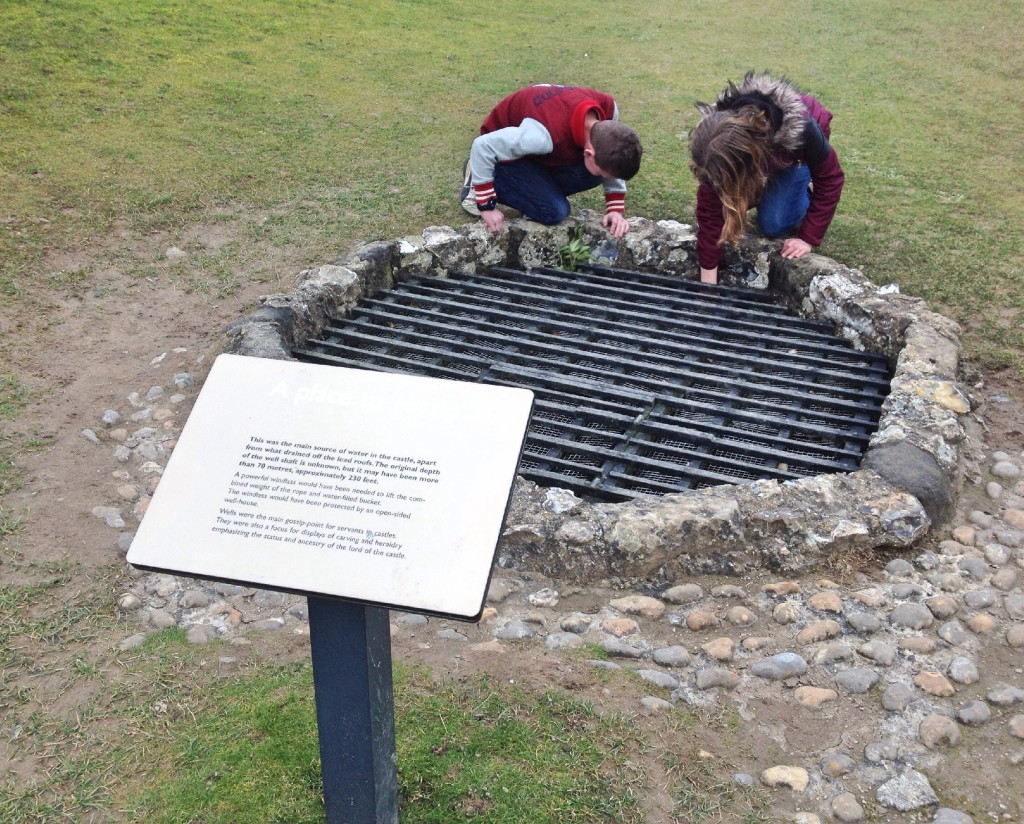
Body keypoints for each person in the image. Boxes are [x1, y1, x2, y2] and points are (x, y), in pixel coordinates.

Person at [688, 71, 845, 284]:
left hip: (795, 151)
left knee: (774, 223)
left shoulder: (804, 128)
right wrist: (708, 285)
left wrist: (808, 238)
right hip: (763, 156)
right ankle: (770, 189)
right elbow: (711, 213)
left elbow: (831, 178)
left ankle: (801, 191)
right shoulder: (716, 144)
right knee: (739, 195)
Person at [460, 84, 643, 238]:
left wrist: (615, 210)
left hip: (538, 153)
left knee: (594, 175)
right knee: (554, 212)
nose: (607, 178)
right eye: (606, 174)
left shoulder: (608, 111)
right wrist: (486, 206)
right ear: (588, 153)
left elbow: (613, 156)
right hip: (501, 155)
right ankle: (477, 175)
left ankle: (533, 192)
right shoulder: (540, 136)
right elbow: (482, 146)